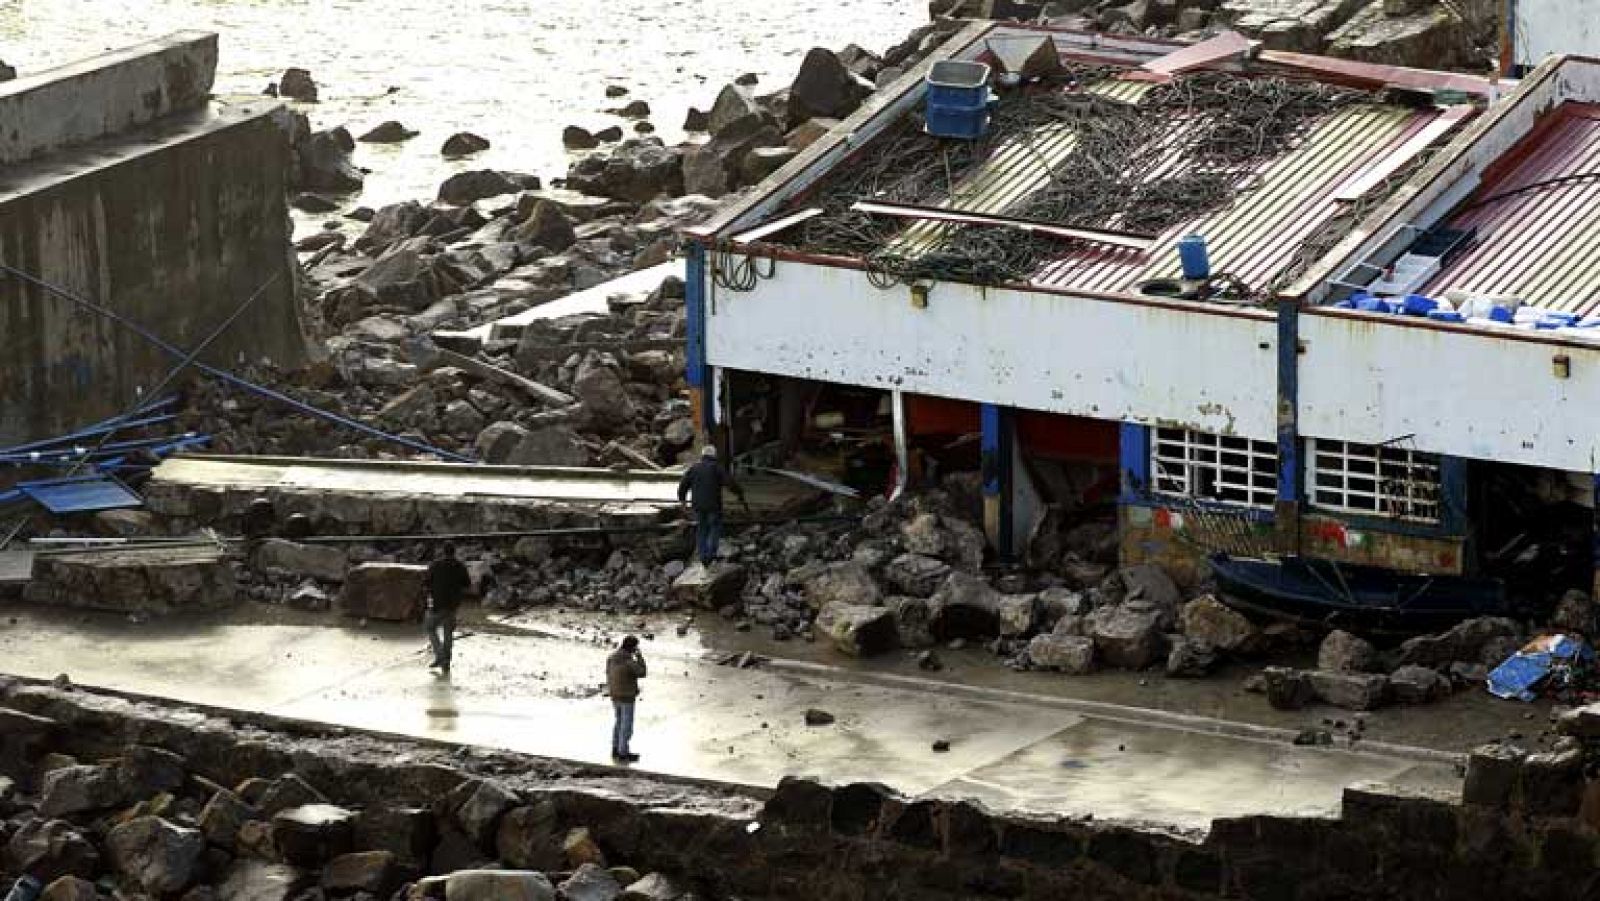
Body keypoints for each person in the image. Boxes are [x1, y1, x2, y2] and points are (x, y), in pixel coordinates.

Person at [677, 445, 747, 567]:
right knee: (714, 528)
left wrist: (682, 501)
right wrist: (739, 493)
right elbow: (730, 483)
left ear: (703, 455)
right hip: (714, 505)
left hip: (698, 505)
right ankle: (710, 554)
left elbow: (683, 485)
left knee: (702, 529)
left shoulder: (694, 468)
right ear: (714, 455)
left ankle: (703, 556)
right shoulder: (717, 468)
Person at [425, 542, 471, 675]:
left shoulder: (435, 565)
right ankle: (446, 660)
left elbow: (426, 582)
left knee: (430, 627)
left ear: (443, 551)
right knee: (448, 633)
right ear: (454, 552)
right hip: (453, 605)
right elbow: (467, 584)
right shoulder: (460, 566)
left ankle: (440, 656)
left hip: (438, 604)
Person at [606, 635, 647, 762]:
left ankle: (615, 749)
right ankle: (623, 753)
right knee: (626, 726)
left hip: (614, 694)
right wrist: (639, 657)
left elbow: (607, 672)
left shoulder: (611, 658)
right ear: (633, 647)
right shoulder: (629, 661)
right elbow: (642, 672)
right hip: (627, 696)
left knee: (618, 722)